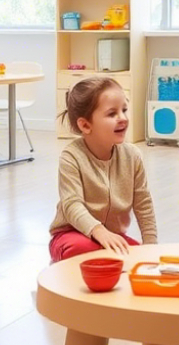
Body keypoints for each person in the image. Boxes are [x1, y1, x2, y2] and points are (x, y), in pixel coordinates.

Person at [49, 77, 158, 261]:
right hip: (71, 235)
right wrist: (98, 231)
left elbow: (143, 204)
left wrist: (151, 247)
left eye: (124, 110)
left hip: (111, 237)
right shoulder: (71, 157)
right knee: (81, 248)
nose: (122, 118)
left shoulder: (133, 156)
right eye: (111, 114)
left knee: (139, 258)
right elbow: (72, 204)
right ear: (85, 125)